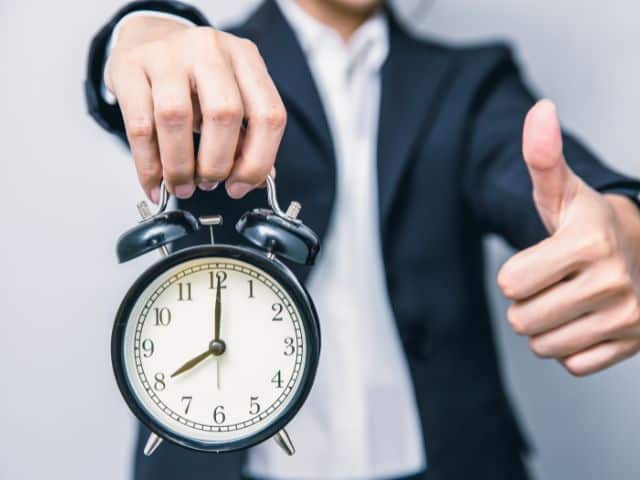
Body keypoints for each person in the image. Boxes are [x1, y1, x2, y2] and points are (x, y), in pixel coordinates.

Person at [85, 1, 640, 479]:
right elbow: (149, 62)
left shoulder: (470, 81)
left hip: (448, 461)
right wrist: (141, 31)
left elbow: (570, 191)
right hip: (221, 465)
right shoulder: (209, 65)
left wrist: (625, 226)